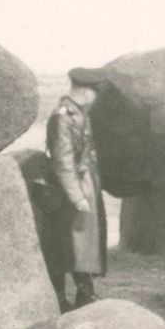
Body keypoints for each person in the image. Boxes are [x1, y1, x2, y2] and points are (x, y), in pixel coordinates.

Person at [44, 67, 108, 313]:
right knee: (65, 244)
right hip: (67, 189)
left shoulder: (79, 113)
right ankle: (60, 298)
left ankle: (84, 293)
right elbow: (62, 160)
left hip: (83, 183)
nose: (94, 96)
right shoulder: (63, 116)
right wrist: (77, 196)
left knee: (83, 242)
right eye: (93, 91)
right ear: (82, 90)